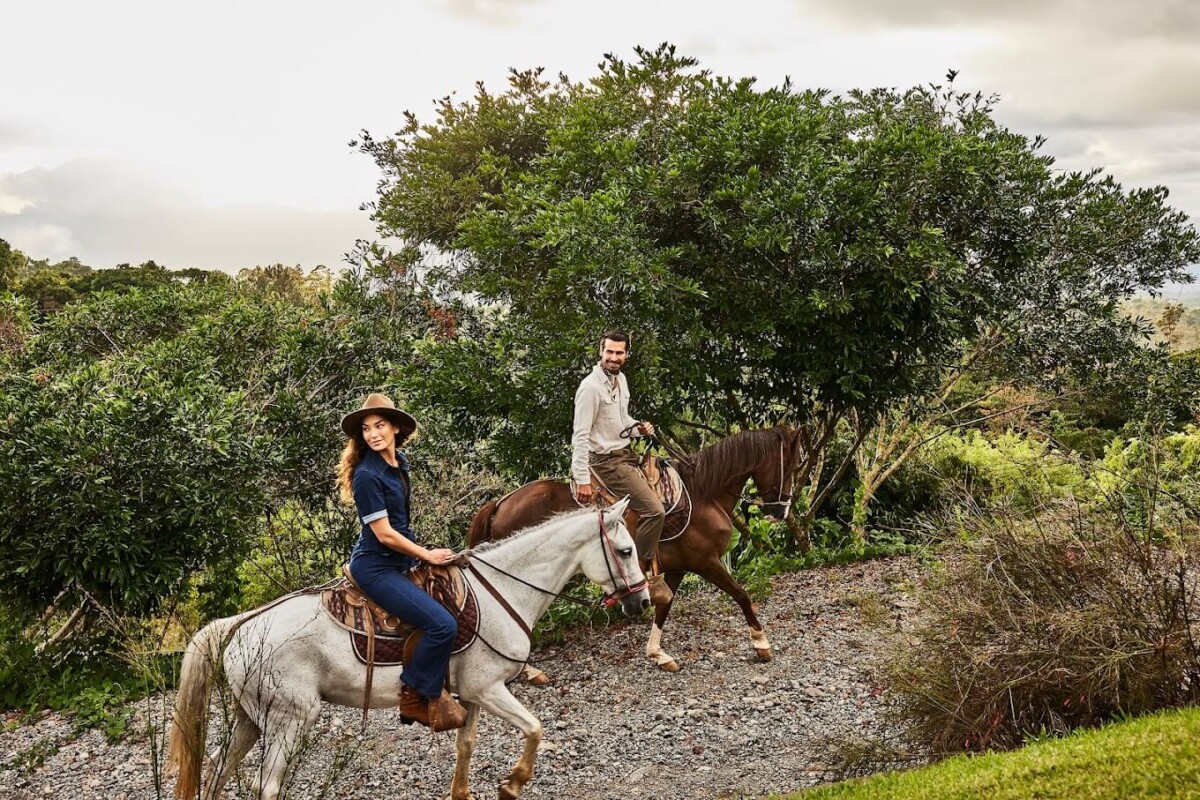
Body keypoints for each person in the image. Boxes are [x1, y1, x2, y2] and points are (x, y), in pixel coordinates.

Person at [337, 393, 467, 731]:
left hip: (399, 563)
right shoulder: (367, 475)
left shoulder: (399, 463)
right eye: (366, 429)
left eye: (379, 426)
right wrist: (426, 554)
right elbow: (385, 534)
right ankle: (414, 695)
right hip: (376, 567)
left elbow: (399, 525)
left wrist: (422, 552)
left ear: (395, 427)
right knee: (442, 625)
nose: (372, 434)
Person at [572, 330, 673, 606]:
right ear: (600, 352)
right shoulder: (590, 388)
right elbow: (580, 435)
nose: (614, 357)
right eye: (610, 352)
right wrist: (582, 478)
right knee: (654, 511)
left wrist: (639, 428)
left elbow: (620, 419)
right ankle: (640, 573)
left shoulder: (621, 380)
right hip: (606, 462)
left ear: (627, 355)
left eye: (619, 353)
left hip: (625, 453)